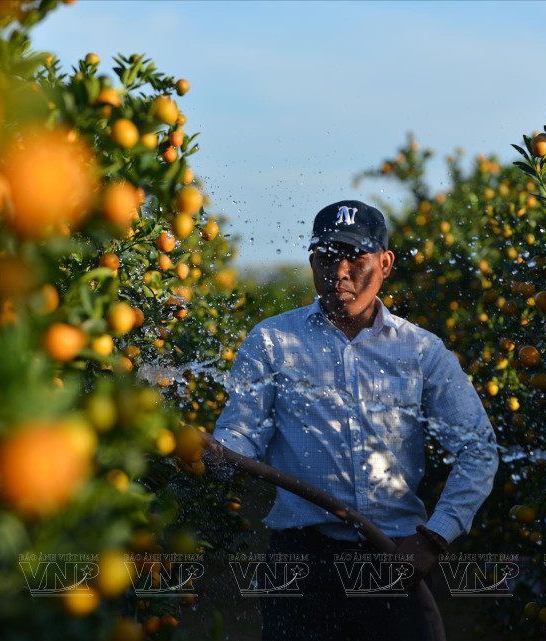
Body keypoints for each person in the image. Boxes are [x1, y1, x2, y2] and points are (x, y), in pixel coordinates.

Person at [202, 200, 499, 641]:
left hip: (394, 555)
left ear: (385, 263)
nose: (339, 271)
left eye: (355, 258)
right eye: (326, 257)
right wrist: (218, 453)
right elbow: (241, 432)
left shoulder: (421, 351)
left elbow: (478, 449)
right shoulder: (272, 340)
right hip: (301, 560)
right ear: (311, 262)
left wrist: (434, 537)